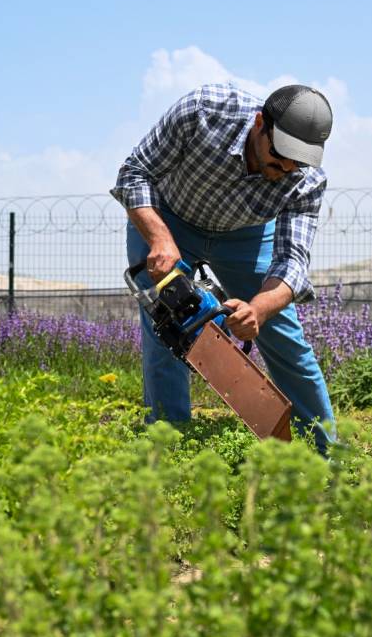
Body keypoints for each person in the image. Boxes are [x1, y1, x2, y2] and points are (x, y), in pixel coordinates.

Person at [110, 82, 335, 453]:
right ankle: (171, 450)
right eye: (279, 158)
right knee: (168, 325)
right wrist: (160, 240)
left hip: (246, 235)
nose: (284, 170)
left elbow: (293, 262)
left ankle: (324, 457)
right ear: (261, 124)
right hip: (169, 220)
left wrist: (257, 309)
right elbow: (133, 175)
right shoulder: (204, 111)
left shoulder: (306, 181)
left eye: (296, 164)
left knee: (283, 335)